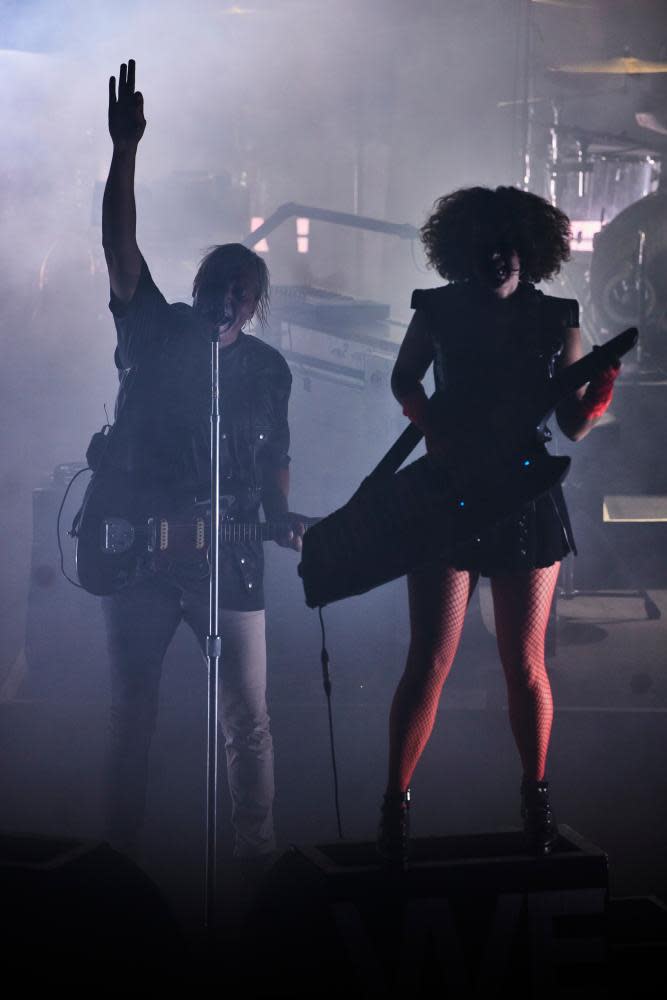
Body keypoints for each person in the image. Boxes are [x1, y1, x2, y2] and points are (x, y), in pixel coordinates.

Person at [378, 185, 620, 863]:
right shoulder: (437, 309)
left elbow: (572, 422)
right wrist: (434, 428)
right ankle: (393, 811)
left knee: (524, 663)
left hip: (522, 494)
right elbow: (403, 380)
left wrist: (599, 389)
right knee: (429, 658)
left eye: (510, 246)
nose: (499, 257)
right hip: (449, 494)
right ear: (464, 252)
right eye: (486, 247)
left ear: (531, 251)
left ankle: (535, 803)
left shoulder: (558, 316)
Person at [100, 60, 303, 862]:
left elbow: (274, 456)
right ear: (199, 287)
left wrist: (281, 516)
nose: (229, 298)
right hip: (145, 552)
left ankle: (256, 865)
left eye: (243, 290)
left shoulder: (265, 369)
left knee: (247, 717)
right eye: (219, 284)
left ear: (255, 302)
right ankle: (116, 860)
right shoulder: (154, 330)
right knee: (132, 706)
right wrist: (125, 150)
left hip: (231, 553)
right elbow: (119, 244)